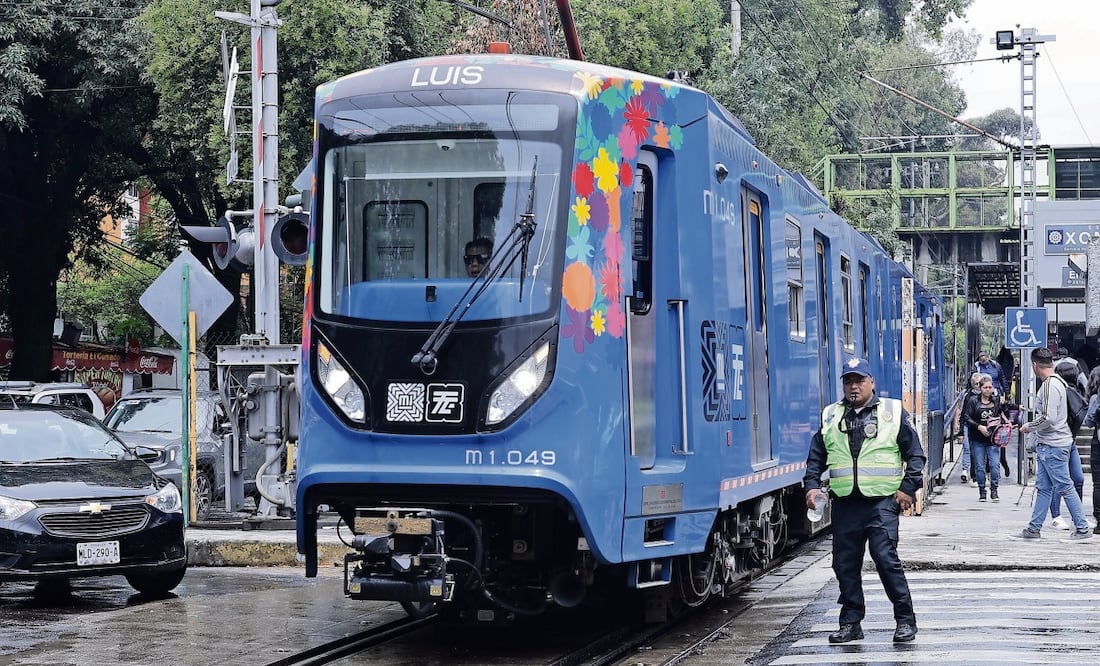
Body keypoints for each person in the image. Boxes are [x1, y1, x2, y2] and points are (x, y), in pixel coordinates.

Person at [803, 357, 924, 644]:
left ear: (872, 383)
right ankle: (850, 622)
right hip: (846, 503)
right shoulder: (831, 416)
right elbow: (816, 457)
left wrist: (908, 489)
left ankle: (905, 620)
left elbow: (915, 455)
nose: (853, 386)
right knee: (844, 564)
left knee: (885, 559)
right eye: (848, 381)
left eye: (859, 380)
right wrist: (811, 486)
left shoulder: (892, 412)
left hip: (881, 502)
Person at [1017, 347, 1092, 540]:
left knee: (1065, 486)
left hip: (1053, 445)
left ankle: (1082, 527)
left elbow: (1048, 418)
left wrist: (1029, 426)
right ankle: (1034, 529)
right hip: (1052, 444)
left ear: (1035, 365)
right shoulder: (1060, 382)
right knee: (1043, 488)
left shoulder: (1050, 385)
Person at [1047, 363, 1087, 530]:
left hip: (1071, 441)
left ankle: (1076, 515)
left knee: (1078, 479)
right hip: (1057, 441)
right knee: (1059, 481)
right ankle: (1056, 516)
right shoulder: (1058, 391)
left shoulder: (1073, 391)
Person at [963, 375, 1002, 502]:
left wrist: (1017, 408)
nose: (988, 390)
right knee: (979, 466)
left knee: (995, 465)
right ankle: (982, 491)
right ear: (980, 388)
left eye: (990, 387)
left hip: (993, 439)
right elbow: (967, 417)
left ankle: (994, 490)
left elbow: (1005, 409)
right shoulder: (973, 401)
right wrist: (979, 427)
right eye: (985, 387)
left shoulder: (996, 400)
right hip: (977, 438)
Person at [951, 372, 983, 484]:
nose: (978, 385)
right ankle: (965, 470)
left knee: (977, 449)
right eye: (976, 383)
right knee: (967, 447)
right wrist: (957, 423)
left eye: (979, 383)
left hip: (979, 425)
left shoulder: (986, 394)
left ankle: (977, 472)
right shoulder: (965, 394)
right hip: (967, 424)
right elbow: (959, 408)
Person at [1082, 366, 1100, 534]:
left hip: (1099, 439)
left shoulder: (1096, 397)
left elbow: (1088, 421)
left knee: (1098, 483)